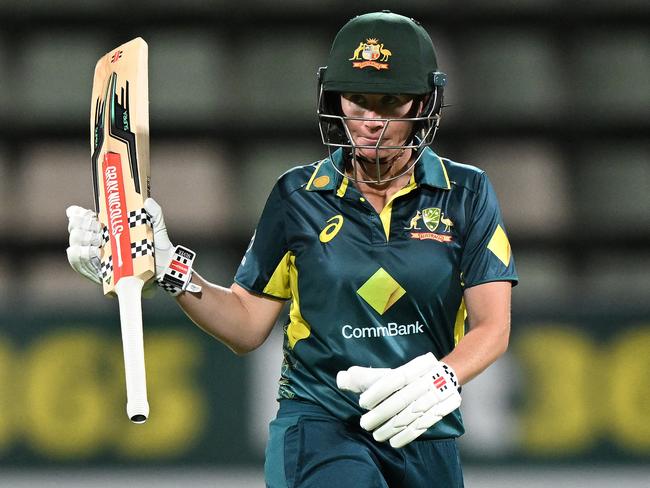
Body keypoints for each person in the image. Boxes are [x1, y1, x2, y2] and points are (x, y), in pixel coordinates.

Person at [67, 11, 517, 488]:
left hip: (424, 429)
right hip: (322, 426)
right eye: (356, 100)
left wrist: (443, 378)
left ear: (424, 102)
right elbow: (245, 324)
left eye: (390, 102)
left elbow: (492, 326)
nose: (368, 121)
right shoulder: (297, 196)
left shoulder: (466, 193)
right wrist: (170, 267)